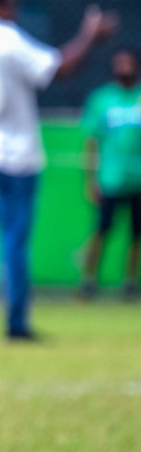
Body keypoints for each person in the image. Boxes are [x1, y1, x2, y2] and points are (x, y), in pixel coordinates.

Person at [0, 0, 117, 340]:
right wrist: (90, 36)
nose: (15, 10)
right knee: (13, 242)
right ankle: (15, 323)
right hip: (13, 158)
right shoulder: (6, 38)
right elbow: (57, 68)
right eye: (12, 3)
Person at [79, 46, 141, 299]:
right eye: (120, 63)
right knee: (101, 230)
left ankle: (129, 282)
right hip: (110, 179)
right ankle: (89, 279)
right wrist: (90, 179)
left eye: (129, 63)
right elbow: (91, 141)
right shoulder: (102, 99)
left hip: (138, 179)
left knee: (136, 234)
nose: (124, 68)